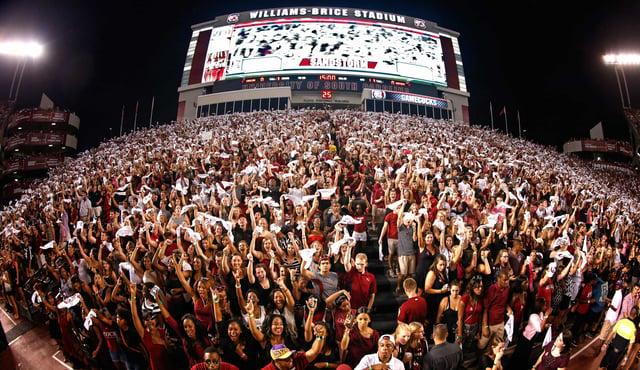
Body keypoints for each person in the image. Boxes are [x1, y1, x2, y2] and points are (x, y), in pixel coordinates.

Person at [479, 269, 512, 350]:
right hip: (490, 323)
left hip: (500, 323)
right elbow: (485, 309)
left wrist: (508, 308)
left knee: (498, 346)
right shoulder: (491, 290)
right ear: (499, 279)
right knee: (481, 346)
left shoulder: (507, 289)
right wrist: (485, 326)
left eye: (508, 280)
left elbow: (504, 301)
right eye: (504, 280)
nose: (506, 282)